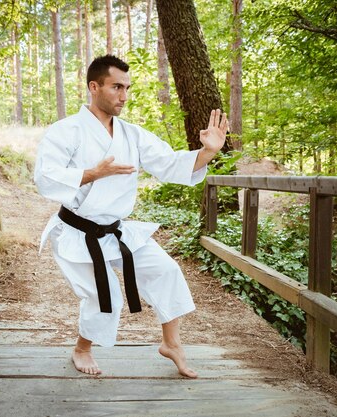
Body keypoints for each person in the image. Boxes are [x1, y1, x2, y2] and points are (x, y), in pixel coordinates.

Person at [34, 54, 227, 379]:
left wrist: (207, 152)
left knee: (166, 270)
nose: (123, 95)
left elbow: (170, 163)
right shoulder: (65, 131)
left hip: (118, 230)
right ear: (94, 87)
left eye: (127, 87)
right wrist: (94, 173)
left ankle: (172, 344)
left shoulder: (132, 134)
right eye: (116, 87)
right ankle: (82, 348)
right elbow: (45, 177)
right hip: (77, 233)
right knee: (103, 295)